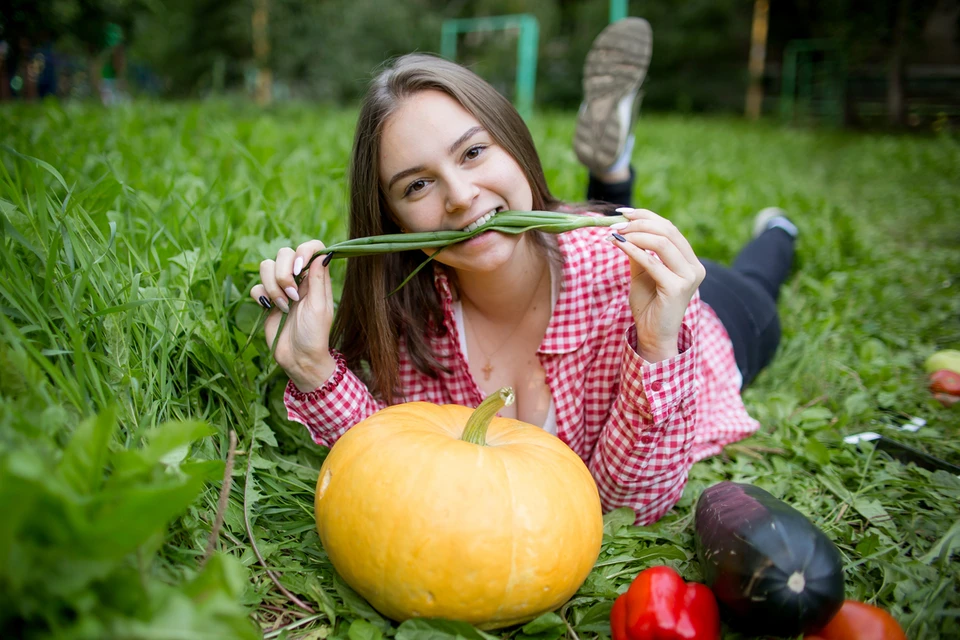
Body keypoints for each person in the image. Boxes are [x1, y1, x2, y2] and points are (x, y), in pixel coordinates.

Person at [250, 18, 797, 525]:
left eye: (474, 152)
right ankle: (610, 173)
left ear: (515, 141)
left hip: (714, 316)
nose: (461, 198)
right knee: (580, 217)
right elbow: (393, 475)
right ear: (390, 217)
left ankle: (777, 229)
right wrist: (313, 368)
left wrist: (656, 346)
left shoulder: (620, 279)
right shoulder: (405, 324)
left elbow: (627, 509)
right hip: (575, 244)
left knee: (758, 277)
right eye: (417, 185)